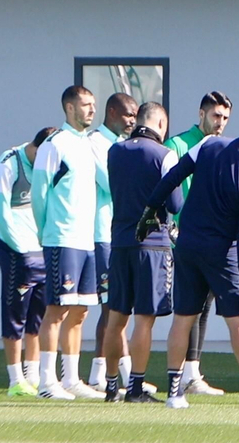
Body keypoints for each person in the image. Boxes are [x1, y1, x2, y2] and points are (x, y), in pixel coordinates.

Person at [142, 113, 239, 410]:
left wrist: (150, 210)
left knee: (183, 318)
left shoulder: (209, 144)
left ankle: (174, 394)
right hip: (223, 255)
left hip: (187, 245)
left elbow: (172, 178)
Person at [30, 85, 106, 400]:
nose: (91, 110)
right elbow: (39, 193)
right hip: (61, 238)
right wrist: (46, 232)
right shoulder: (54, 144)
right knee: (57, 308)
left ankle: (72, 378)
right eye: (85, 105)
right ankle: (47, 382)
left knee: (80, 310)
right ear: (69, 108)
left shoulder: (88, 145)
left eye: (93, 104)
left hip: (87, 239)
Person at [101, 102, 179, 403]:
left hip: (119, 242)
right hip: (153, 244)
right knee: (144, 318)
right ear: (160, 123)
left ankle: (110, 386)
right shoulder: (164, 154)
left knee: (116, 317)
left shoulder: (115, 150)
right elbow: (175, 204)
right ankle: (135, 387)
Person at [162, 90, 234, 395]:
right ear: (201, 114)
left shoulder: (222, 148)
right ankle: (180, 376)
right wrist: (173, 224)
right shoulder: (178, 145)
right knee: (187, 308)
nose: (220, 123)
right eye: (215, 116)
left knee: (204, 307)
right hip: (185, 238)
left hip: (211, 238)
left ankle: (193, 373)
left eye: (225, 118)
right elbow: (167, 187)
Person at [0, 126, 56, 397]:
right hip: (17, 252)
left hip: (42, 250)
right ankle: (15, 379)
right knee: (15, 314)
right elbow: (1, 214)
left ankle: (33, 376)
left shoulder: (47, 166)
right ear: (37, 149)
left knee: (38, 317)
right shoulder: (7, 165)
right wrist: (20, 248)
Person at [87, 92, 138, 393]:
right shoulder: (96, 143)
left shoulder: (122, 146)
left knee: (118, 308)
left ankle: (105, 372)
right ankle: (112, 374)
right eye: (127, 114)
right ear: (112, 112)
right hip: (102, 234)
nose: (132, 120)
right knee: (112, 308)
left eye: (135, 115)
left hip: (117, 234)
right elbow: (112, 184)